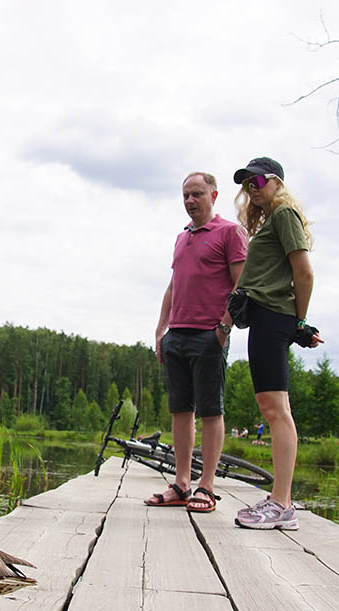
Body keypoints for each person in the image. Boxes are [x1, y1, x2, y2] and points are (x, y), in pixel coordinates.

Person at [229, 157, 323, 531]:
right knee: (272, 407)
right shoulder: (272, 219)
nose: (251, 188)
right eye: (246, 183)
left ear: (277, 182)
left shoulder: (284, 214)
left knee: (275, 409)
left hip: (273, 317)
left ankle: (282, 504)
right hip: (267, 317)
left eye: (258, 180)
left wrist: (298, 322)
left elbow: (304, 272)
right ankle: (280, 500)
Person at [146, 172, 248, 513]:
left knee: (210, 410)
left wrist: (224, 327)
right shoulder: (181, 237)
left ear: (213, 196)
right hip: (176, 334)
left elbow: (241, 285)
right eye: (186, 195)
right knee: (180, 410)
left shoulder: (230, 232)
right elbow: (173, 285)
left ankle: (206, 486)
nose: (190, 201)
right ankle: (181, 483)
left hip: (209, 335)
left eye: (197, 194)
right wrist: (161, 329)